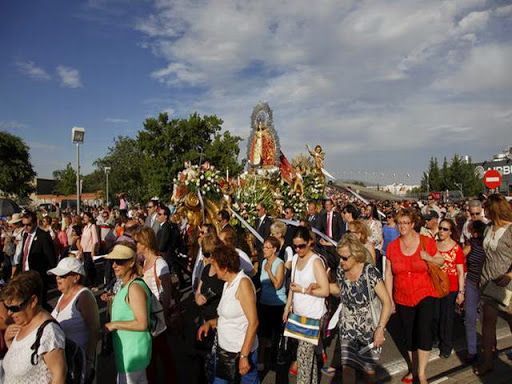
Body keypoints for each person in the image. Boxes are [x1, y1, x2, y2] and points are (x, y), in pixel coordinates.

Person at [385, 209, 444, 384]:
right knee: (409, 334)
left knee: (423, 331)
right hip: (402, 295)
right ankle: (413, 367)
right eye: (400, 223)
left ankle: (422, 372)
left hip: (425, 292)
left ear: (412, 224)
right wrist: (389, 298)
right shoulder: (392, 246)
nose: (402, 226)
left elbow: (440, 260)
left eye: (405, 223)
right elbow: (389, 273)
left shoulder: (425, 242)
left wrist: (429, 258)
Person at [328, 234, 392, 384]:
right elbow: (339, 290)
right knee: (347, 367)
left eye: (345, 258)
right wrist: (320, 286)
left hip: (368, 326)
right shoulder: (340, 270)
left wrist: (380, 329)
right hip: (347, 324)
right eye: (340, 257)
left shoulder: (369, 272)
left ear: (356, 255)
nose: (341, 261)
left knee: (368, 370)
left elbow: (386, 302)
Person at [197, 244, 259, 384]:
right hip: (225, 351)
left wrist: (244, 356)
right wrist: (210, 323)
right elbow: (228, 316)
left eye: (215, 267)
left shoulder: (243, 284)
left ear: (225, 268)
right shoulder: (227, 284)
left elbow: (253, 322)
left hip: (241, 352)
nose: (214, 271)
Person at [283, 227, 329, 384]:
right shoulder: (296, 258)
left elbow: (325, 290)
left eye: (301, 246)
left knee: (303, 357)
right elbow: (293, 286)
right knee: (308, 357)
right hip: (298, 315)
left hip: (313, 316)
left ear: (310, 243)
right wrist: (288, 305)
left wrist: (303, 290)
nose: (298, 249)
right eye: (295, 246)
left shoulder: (315, 261)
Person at [2, 271, 67, 383]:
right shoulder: (23, 323)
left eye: (14, 308)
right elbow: (21, 361)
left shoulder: (49, 333)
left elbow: (59, 375)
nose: (9, 313)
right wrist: (8, 341)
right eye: (7, 307)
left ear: (33, 301)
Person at [133, 227, 177, 383]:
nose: (136, 245)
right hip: (148, 312)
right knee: (156, 350)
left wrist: (163, 313)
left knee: (160, 351)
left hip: (157, 313)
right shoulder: (145, 261)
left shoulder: (160, 262)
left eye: (138, 242)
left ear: (145, 243)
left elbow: (167, 289)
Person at [104, 244, 152, 384]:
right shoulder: (127, 285)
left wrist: (114, 325)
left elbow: (142, 323)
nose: (114, 265)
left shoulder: (134, 287)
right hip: (127, 352)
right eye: (113, 261)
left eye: (119, 261)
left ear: (131, 262)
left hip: (133, 353)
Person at [475, 194, 512, 376]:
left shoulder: (511, 229)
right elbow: (485, 255)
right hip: (488, 280)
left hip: (508, 283)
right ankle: (488, 361)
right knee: (488, 322)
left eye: (486, 208)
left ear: (494, 209)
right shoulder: (488, 228)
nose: (484, 212)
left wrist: (509, 275)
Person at [48, 257, 100, 383]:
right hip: (66, 361)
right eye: (57, 275)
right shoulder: (63, 296)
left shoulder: (84, 296)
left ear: (76, 277)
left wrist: (89, 361)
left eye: (62, 275)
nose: (57, 278)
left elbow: (94, 330)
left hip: (79, 362)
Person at [434, 219, 465, 358]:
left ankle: (446, 345)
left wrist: (461, 292)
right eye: (440, 228)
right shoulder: (434, 245)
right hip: (435, 284)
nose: (441, 231)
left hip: (451, 286)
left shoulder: (456, 248)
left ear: (451, 232)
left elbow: (460, 271)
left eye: (445, 229)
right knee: (436, 314)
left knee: (447, 316)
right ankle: (437, 338)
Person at [257, 236, 286, 371]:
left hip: (277, 303)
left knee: (277, 333)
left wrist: (269, 270)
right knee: (263, 333)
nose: (264, 250)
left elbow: (277, 285)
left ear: (274, 249)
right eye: (264, 247)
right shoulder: (263, 262)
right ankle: (261, 359)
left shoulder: (279, 263)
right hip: (264, 302)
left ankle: (277, 357)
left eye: (267, 247)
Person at [19, 211, 57, 308]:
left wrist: (46, 275)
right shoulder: (25, 235)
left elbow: (51, 258)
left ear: (35, 223)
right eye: (24, 225)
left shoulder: (43, 236)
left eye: (28, 225)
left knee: (38, 304)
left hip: (38, 276)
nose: (26, 227)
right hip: (25, 274)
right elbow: (24, 255)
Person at [462, 220, 486, 363]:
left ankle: (490, 344)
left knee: (486, 318)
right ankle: (472, 350)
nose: (473, 234)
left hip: (485, 284)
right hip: (471, 282)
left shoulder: (488, 244)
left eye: (475, 232)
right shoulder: (471, 242)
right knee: (470, 318)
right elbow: (462, 255)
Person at [81, 212, 99, 287]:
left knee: (87, 268)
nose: (84, 219)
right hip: (84, 250)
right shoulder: (85, 228)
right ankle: (93, 283)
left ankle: (85, 284)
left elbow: (95, 240)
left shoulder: (92, 226)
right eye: (84, 217)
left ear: (90, 218)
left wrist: (93, 250)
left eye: (85, 217)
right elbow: (83, 239)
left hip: (90, 250)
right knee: (91, 268)